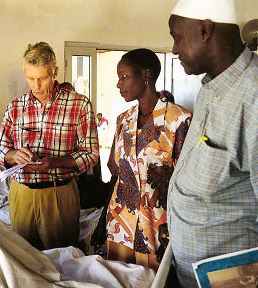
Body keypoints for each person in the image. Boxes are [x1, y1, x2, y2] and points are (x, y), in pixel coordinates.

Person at [167, 0, 258, 286]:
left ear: (205, 30)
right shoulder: (210, 88)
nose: (174, 49)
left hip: (230, 278)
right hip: (193, 273)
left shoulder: (253, 96)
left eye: (177, 36)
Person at [90, 48, 192, 271]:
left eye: (124, 76)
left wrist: (177, 232)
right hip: (120, 225)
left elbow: (186, 184)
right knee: (120, 281)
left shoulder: (179, 121)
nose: (119, 84)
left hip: (158, 229)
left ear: (146, 75)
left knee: (155, 282)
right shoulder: (123, 121)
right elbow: (116, 177)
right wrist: (101, 223)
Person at [0, 42, 99, 250]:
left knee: (62, 260)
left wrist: (55, 163)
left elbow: (91, 153)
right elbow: (0, 148)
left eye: (42, 78)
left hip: (59, 194)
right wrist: (14, 155)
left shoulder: (79, 105)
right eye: (30, 78)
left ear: (55, 72)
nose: (36, 85)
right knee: (24, 258)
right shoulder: (15, 107)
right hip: (21, 193)